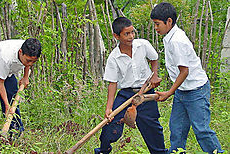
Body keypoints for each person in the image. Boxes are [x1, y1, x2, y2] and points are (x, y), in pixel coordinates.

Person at [150, 2, 224, 154]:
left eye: (157, 24)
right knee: (177, 129)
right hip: (183, 91)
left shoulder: (177, 40)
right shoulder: (169, 36)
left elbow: (184, 72)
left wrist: (169, 92)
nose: (156, 28)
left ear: (169, 21)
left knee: (201, 129)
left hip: (196, 90)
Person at [94, 17, 167, 154]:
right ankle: (103, 150)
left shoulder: (143, 45)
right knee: (110, 124)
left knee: (152, 126)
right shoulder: (114, 57)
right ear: (116, 36)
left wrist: (155, 75)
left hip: (145, 92)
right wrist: (109, 108)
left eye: (132, 32)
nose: (131, 36)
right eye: (126, 34)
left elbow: (154, 58)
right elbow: (112, 83)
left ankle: (160, 152)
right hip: (126, 94)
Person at [0, 38, 42, 138]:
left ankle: (16, 130)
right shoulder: (6, 57)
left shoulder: (28, 49)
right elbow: (0, 82)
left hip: (7, 71)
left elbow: (28, 63)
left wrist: (25, 77)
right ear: (20, 52)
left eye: (33, 62)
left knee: (13, 95)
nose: (30, 64)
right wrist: (7, 106)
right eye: (28, 61)